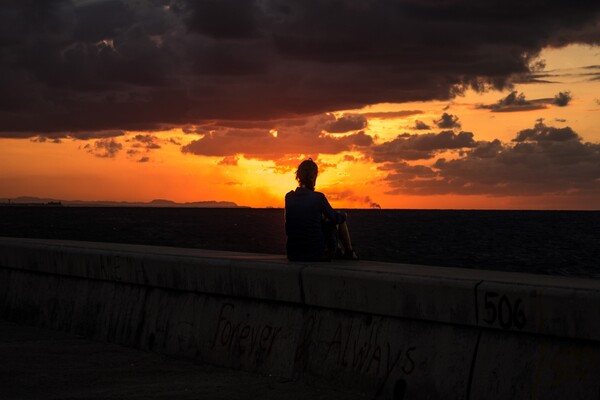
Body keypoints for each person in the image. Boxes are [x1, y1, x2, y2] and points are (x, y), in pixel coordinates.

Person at [285, 159, 358, 261]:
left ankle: (339, 251)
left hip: (293, 254)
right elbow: (335, 218)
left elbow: (288, 228)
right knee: (337, 221)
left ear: (298, 176)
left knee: (322, 221)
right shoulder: (318, 198)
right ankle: (349, 253)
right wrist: (344, 215)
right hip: (316, 254)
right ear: (314, 177)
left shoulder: (289, 197)